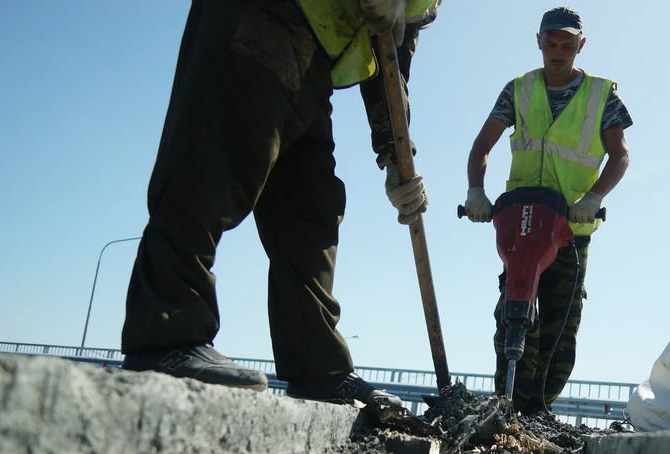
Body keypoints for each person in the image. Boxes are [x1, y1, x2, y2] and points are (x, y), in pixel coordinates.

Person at [119, 0, 441, 406]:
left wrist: (395, 152)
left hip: (318, 52)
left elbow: (393, 51)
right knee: (214, 159)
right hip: (266, 13)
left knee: (310, 208)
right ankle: (166, 332)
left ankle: (319, 367)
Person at [463, 6, 632, 416]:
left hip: (570, 229)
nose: (558, 53)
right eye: (551, 44)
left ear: (581, 45)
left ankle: (538, 409)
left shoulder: (600, 94)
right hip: (522, 222)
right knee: (515, 311)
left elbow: (620, 156)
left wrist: (593, 198)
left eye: (567, 46)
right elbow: (482, 146)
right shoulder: (518, 89)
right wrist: (475, 192)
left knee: (560, 324)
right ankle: (509, 407)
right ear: (538, 42)